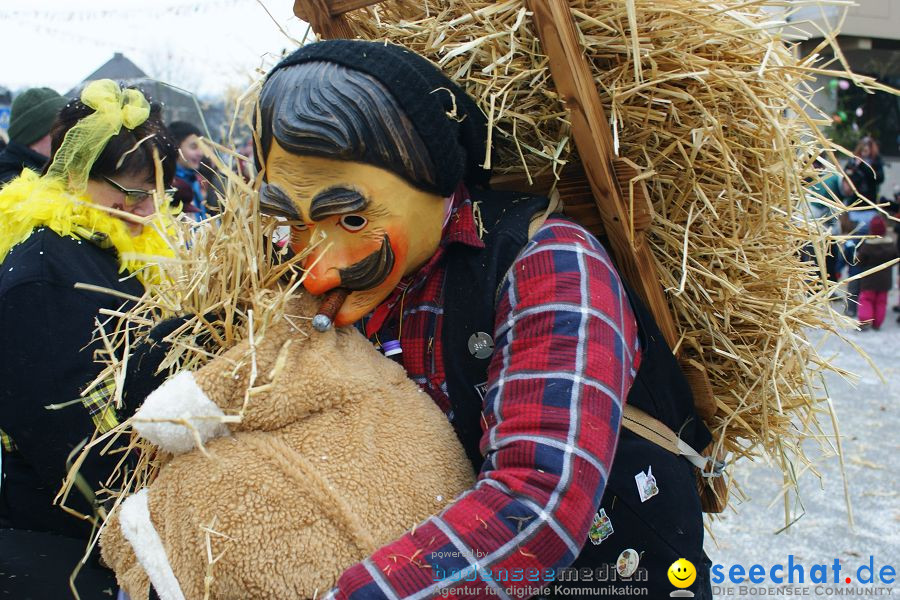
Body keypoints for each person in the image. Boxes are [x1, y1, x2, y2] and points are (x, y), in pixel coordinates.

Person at [254, 40, 713, 599]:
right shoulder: (328, 285)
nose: (318, 269)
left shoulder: (550, 264)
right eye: (293, 224)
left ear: (434, 178)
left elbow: (537, 501)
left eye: (352, 218)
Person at [0, 79, 177, 597]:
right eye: (135, 192)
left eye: (158, 192)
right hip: (67, 542)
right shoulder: (40, 273)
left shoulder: (114, 247)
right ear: (76, 174)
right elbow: (72, 442)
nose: (149, 210)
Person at [0, 87, 68, 185]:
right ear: (34, 134)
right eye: (61, 130)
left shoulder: (51, 168)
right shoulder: (9, 181)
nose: (68, 137)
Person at [855, 215, 898, 330]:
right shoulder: (890, 244)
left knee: (866, 299)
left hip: (869, 280)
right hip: (885, 280)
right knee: (881, 302)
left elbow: (859, 261)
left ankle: (865, 320)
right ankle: (877, 323)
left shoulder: (867, 245)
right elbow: (895, 258)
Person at [168, 120, 209, 221]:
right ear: (176, 147)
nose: (200, 153)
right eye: (194, 147)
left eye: (201, 147)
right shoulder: (168, 185)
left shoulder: (193, 180)